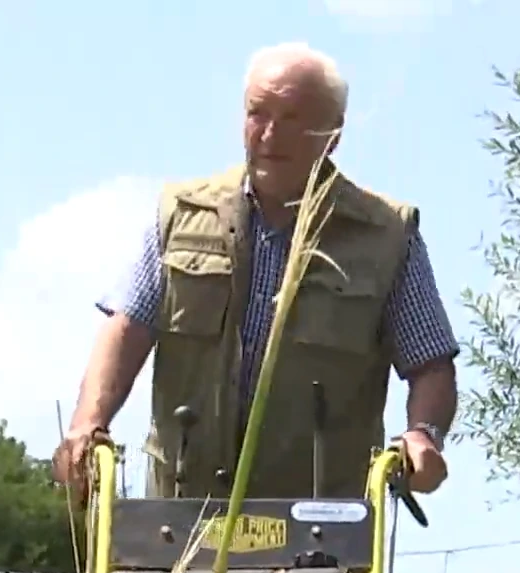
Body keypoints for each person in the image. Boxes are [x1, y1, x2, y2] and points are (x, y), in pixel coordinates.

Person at [52, 42, 456, 504]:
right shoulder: (183, 216)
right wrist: (87, 425)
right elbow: (126, 328)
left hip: (320, 524)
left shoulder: (385, 235)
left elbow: (431, 364)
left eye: (292, 119)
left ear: (335, 132)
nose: (268, 134)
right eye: (257, 113)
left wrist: (423, 436)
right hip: (183, 512)